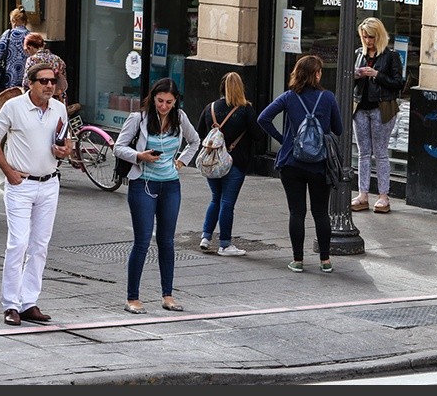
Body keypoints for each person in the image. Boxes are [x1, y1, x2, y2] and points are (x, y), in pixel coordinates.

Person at [0, 63, 72, 326]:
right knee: (18, 243)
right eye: (43, 81)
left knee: (40, 245)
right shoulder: (14, 106)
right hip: (21, 184)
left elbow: (66, 142)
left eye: (52, 81)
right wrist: (9, 171)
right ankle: (10, 304)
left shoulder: (59, 108)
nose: (49, 86)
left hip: (49, 183)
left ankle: (29, 302)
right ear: (31, 83)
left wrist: (65, 151)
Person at [114, 78, 200, 314]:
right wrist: (140, 156)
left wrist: (181, 161)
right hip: (142, 184)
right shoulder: (138, 119)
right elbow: (118, 147)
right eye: (160, 101)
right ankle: (132, 297)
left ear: (175, 102)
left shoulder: (179, 118)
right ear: (153, 98)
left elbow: (195, 141)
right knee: (142, 241)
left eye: (169, 102)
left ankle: (168, 295)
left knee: (167, 241)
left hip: (170, 185)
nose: (164, 106)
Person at [257, 55, 343, 273]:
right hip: (320, 164)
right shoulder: (328, 97)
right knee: (321, 212)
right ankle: (325, 261)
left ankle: (298, 260)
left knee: (297, 212)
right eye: (320, 70)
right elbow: (339, 129)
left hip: (291, 163)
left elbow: (263, 118)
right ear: (316, 74)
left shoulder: (289, 97)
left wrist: (283, 139)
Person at [196, 72, 264, 257]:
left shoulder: (210, 108)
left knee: (215, 198)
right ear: (241, 88)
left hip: (212, 162)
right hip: (236, 162)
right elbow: (258, 135)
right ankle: (225, 244)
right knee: (227, 202)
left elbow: (200, 133)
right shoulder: (245, 110)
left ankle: (205, 236)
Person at [351, 17, 405, 214]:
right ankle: (362, 194)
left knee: (380, 153)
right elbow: (348, 81)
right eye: (364, 36)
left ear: (379, 36)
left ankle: (384, 196)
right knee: (363, 153)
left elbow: (398, 83)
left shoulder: (390, 56)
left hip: (382, 108)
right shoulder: (359, 54)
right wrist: (356, 75)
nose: (367, 41)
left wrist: (376, 74)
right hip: (360, 108)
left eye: (371, 37)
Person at [22, 32, 68, 101]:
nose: (27, 53)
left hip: (40, 99)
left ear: (30, 47)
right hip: (57, 99)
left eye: (26, 50)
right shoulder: (58, 59)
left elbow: (26, 82)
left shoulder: (32, 60)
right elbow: (63, 82)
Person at [0, 5, 30, 90]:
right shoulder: (30, 35)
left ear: (14, 21)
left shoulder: (8, 34)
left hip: (9, 76)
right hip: (25, 76)